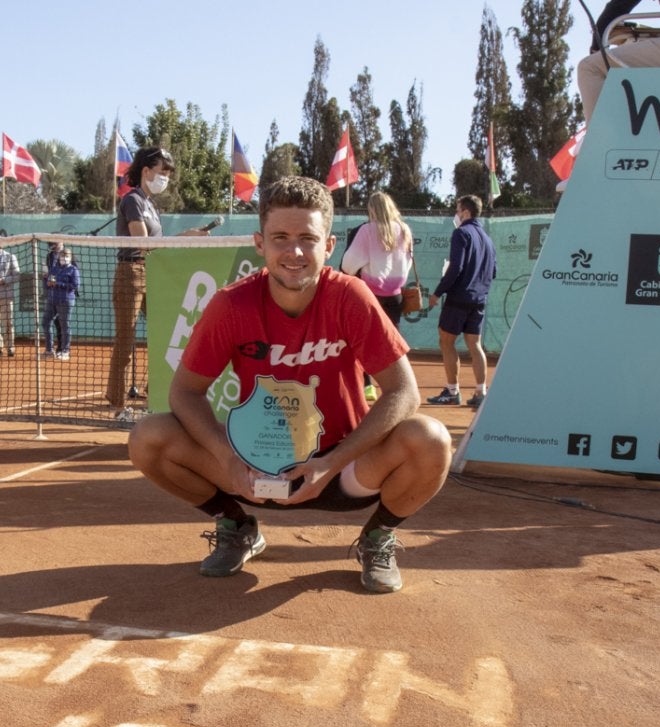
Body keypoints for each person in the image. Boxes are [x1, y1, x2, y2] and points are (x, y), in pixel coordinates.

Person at [128, 176, 452, 594]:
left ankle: (377, 538)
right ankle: (237, 526)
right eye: (280, 237)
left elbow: (404, 392)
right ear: (259, 242)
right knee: (147, 437)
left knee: (431, 439)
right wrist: (228, 458)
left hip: (345, 470)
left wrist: (330, 463)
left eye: (307, 238)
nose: (294, 251)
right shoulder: (231, 304)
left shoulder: (351, 297)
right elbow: (184, 392)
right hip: (253, 467)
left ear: (329, 246)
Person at [109, 147, 209, 423]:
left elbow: (158, 247)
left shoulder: (152, 205)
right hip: (131, 273)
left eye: (167, 173)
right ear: (146, 171)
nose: (165, 178)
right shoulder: (133, 201)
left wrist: (187, 237)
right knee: (125, 340)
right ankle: (118, 407)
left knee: (167, 335)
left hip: (153, 275)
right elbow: (143, 243)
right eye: (162, 172)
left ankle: (157, 396)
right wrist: (183, 238)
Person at [340, 192, 414, 403]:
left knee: (361, 342)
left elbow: (348, 265)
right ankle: (399, 388)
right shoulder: (405, 230)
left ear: (371, 209)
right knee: (393, 344)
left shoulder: (366, 230)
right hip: (395, 296)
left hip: (369, 296)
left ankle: (367, 386)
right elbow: (407, 264)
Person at [426, 195, 497, 408]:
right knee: (474, 344)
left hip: (458, 298)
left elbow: (456, 268)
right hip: (479, 299)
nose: (456, 214)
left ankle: (452, 391)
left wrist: (437, 293)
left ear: (465, 212)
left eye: (457, 210)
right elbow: (493, 272)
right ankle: (480, 392)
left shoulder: (461, 233)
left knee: (446, 341)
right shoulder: (488, 239)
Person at [41, 246, 79, 361]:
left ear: (71, 257)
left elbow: (75, 286)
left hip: (65, 300)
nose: (64, 258)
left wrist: (58, 284)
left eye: (67, 256)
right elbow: (48, 282)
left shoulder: (73, 270)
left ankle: (65, 351)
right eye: (62, 255)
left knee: (64, 325)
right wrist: (46, 281)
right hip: (52, 299)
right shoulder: (54, 269)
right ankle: (49, 350)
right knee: (45, 322)